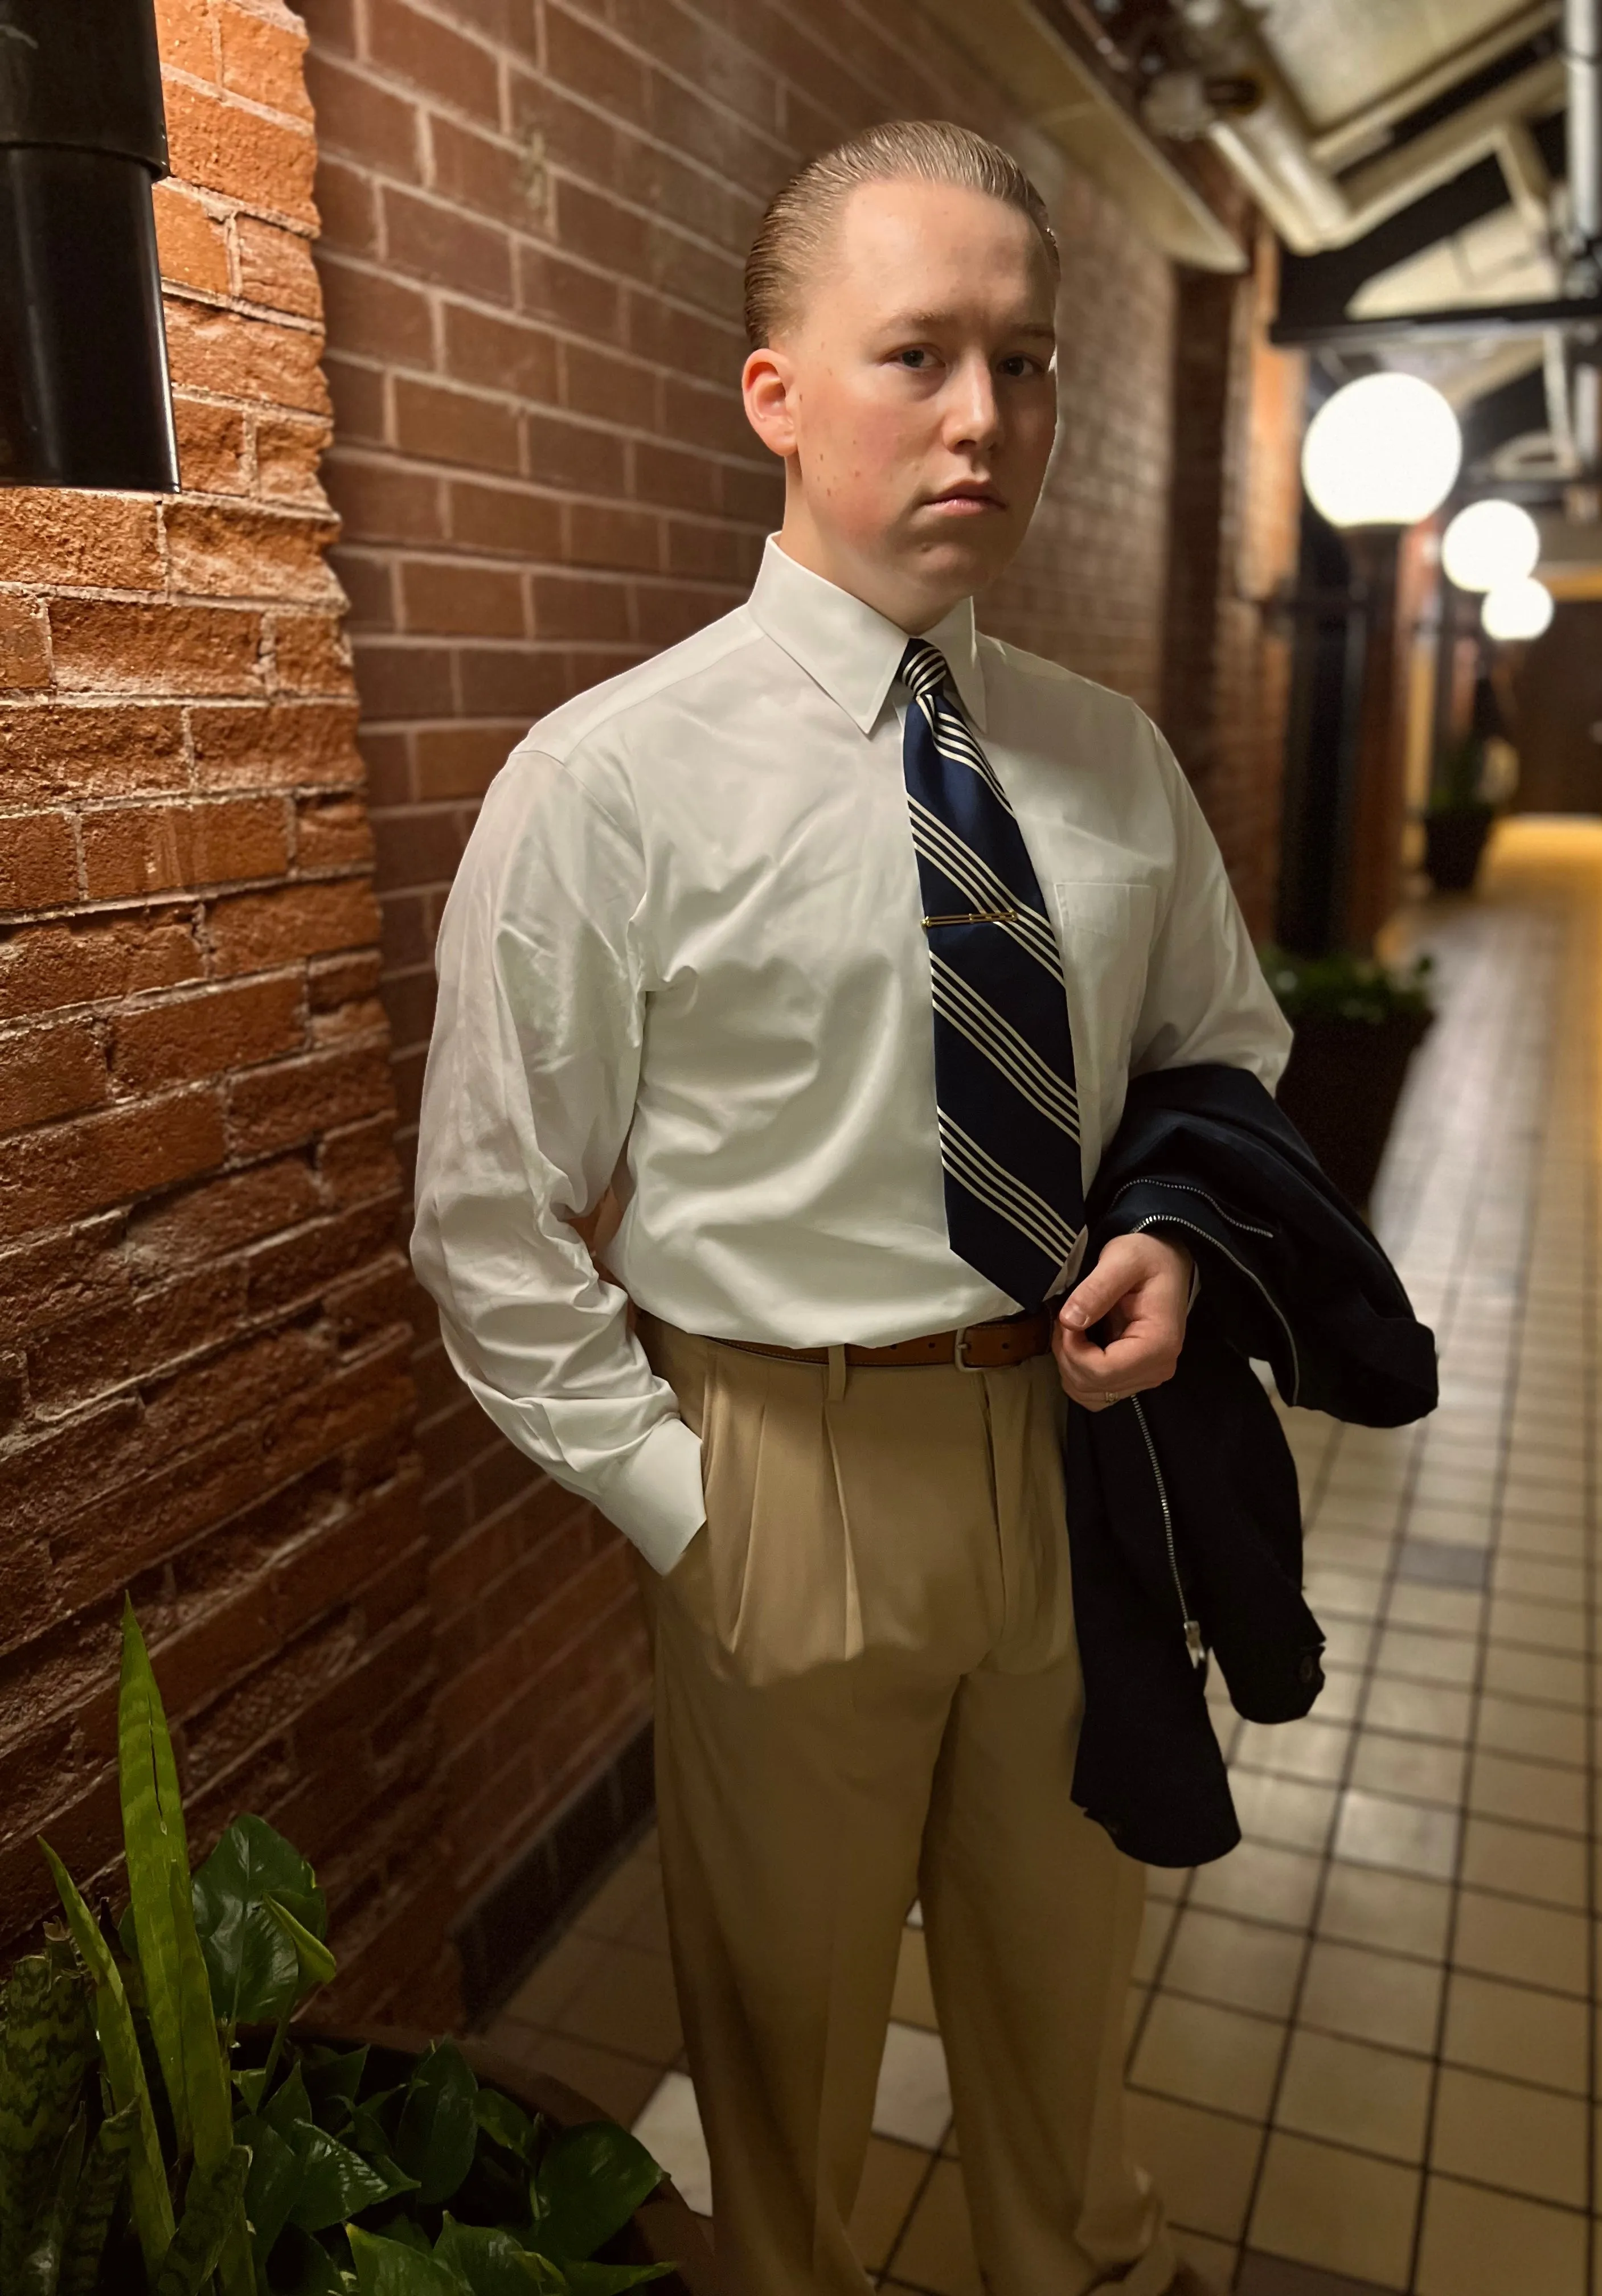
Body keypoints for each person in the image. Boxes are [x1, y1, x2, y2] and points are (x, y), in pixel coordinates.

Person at [413, 120, 1290, 2296]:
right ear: (775, 393)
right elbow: (492, 1223)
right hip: (778, 1469)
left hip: (1074, 1474)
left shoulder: (1110, 764)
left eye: (1027, 361)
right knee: (783, 2047)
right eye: (918, 353)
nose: (987, 416)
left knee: (1066, 2012)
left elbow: (1227, 1059)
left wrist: (1175, 1241)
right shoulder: (611, 781)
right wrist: (685, 1503)